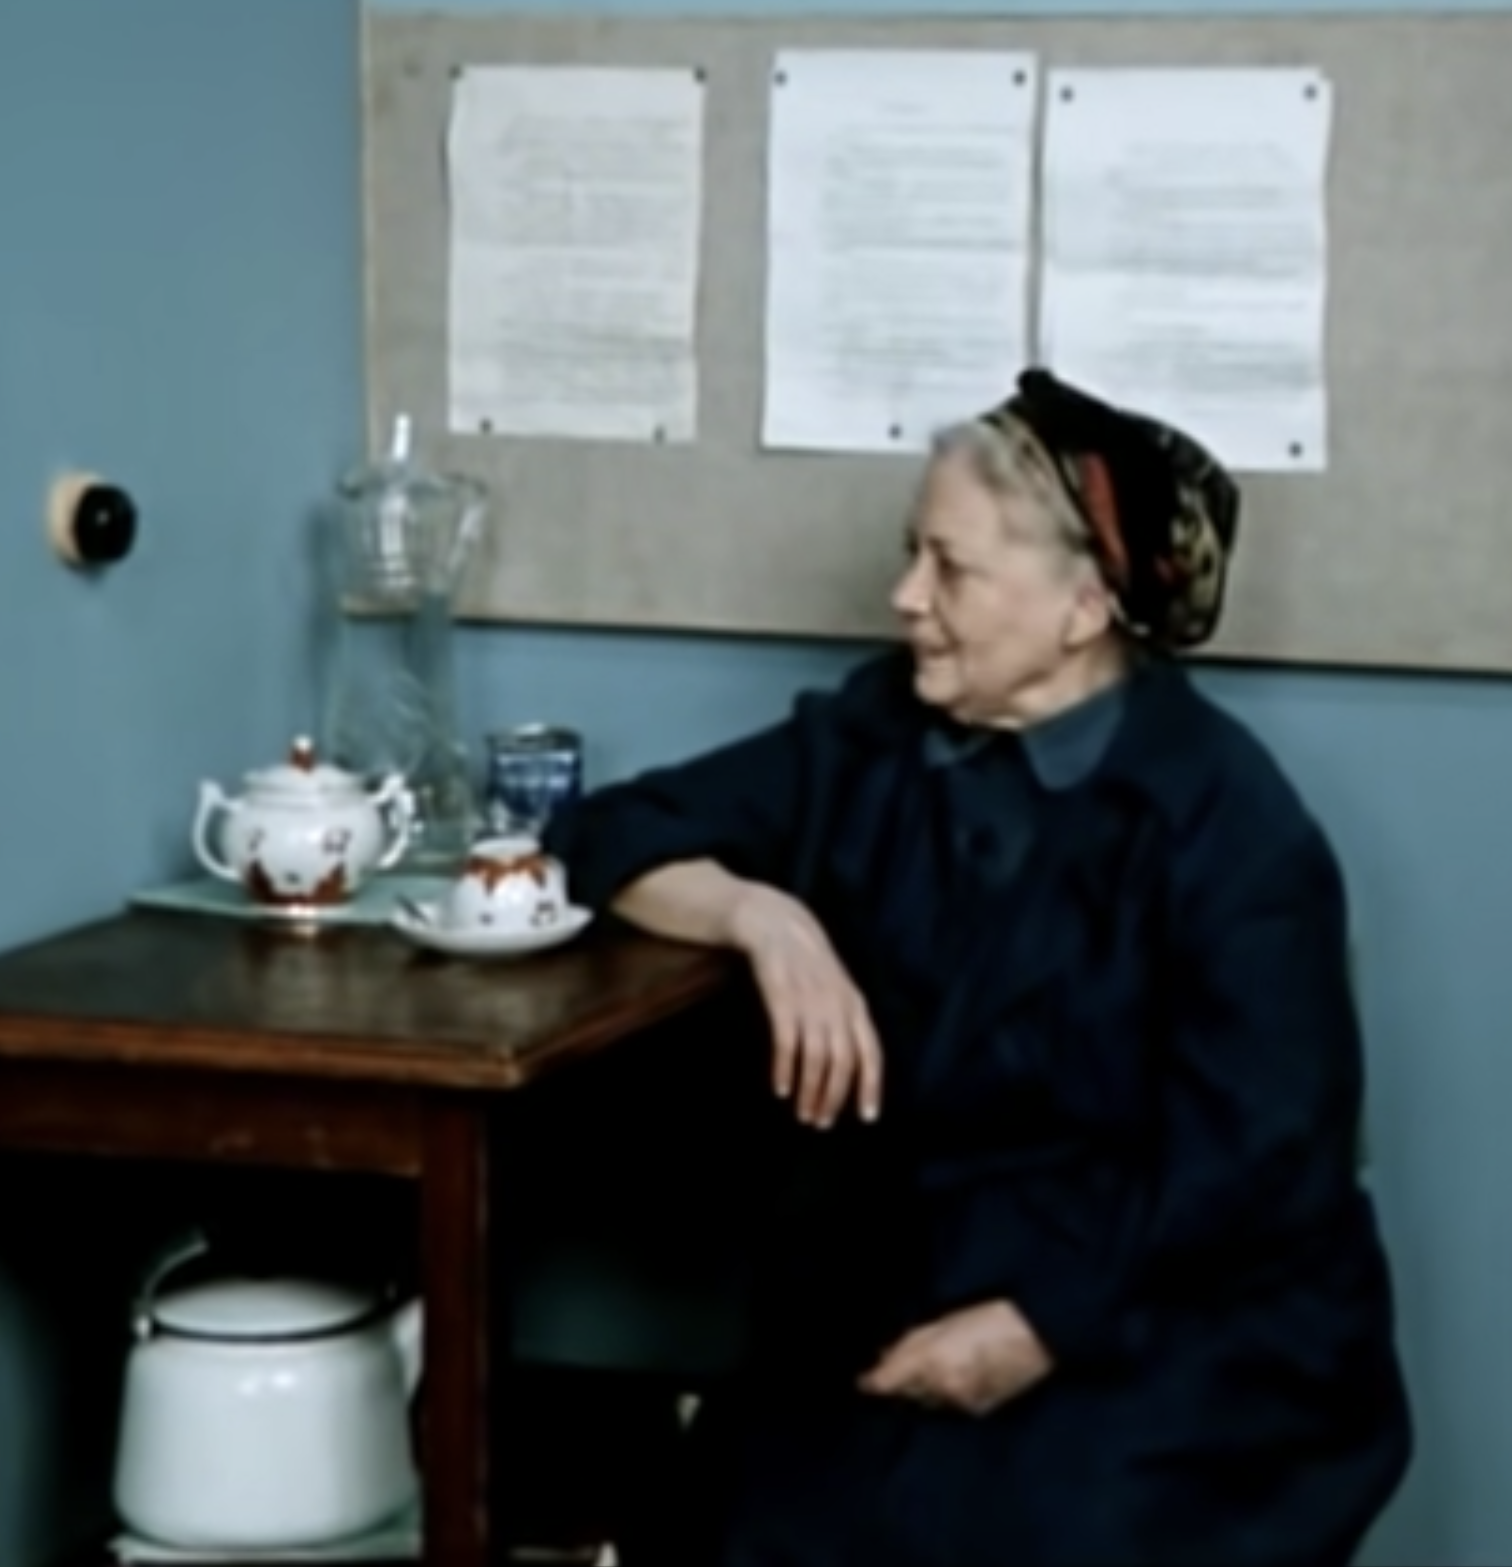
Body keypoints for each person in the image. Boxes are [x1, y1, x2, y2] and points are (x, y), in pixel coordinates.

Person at [541, 369, 1415, 1567]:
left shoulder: (1227, 826)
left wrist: (1038, 1325)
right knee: (735, 1526)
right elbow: (603, 834)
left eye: (949, 567)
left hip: (1171, 1327)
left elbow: (1261, 1165)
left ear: (1082, 605)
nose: (904, 597)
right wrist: (759, 914)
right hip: (907, 1289)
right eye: (910, 554)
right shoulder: (872, 738)